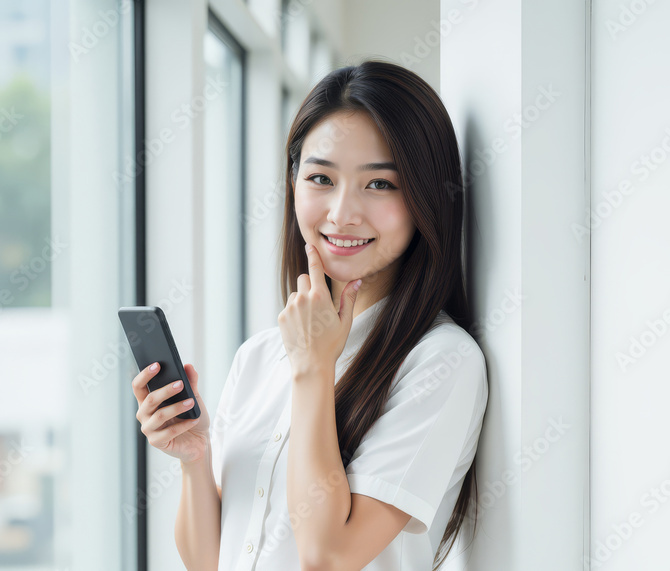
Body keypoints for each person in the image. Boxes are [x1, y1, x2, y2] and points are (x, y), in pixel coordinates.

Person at [131, 59, 489, 571]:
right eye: (321, 177)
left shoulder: (442, 361)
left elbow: (328, 556)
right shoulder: (259, 356)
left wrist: (314, 369)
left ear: (426, 198)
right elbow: (209, 560)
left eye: (380, 184)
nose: (342, 213)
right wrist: (195, 457)